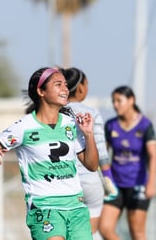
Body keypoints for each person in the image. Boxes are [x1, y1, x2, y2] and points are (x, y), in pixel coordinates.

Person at [0, 67, 99, 240]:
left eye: (66, 85)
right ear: (41, 91)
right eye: (58, 84)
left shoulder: (71, 124)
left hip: (76, 207)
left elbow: (92, 165)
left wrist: (88, 134)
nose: (65, 89)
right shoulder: (24, 127)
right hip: (45, 208)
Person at [62, 67, 118, 236]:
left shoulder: (57, 114)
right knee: (89, 234)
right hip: (90, 183)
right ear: (81, 88)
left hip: (66, 183)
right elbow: (101, 151)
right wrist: (108, 180)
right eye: (87, 84)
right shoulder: (91, 113)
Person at [99, 86, 156, 240]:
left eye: (119, 100)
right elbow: (103, 154)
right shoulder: (110, 125)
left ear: (131, 100)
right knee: (105, 228)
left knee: (137, 233)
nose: (115, 105)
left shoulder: (145, 125)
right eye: (113, 101)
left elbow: (153, 155)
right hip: (115, 185)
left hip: (137, 185)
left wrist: (151, 182)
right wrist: (103, 178)